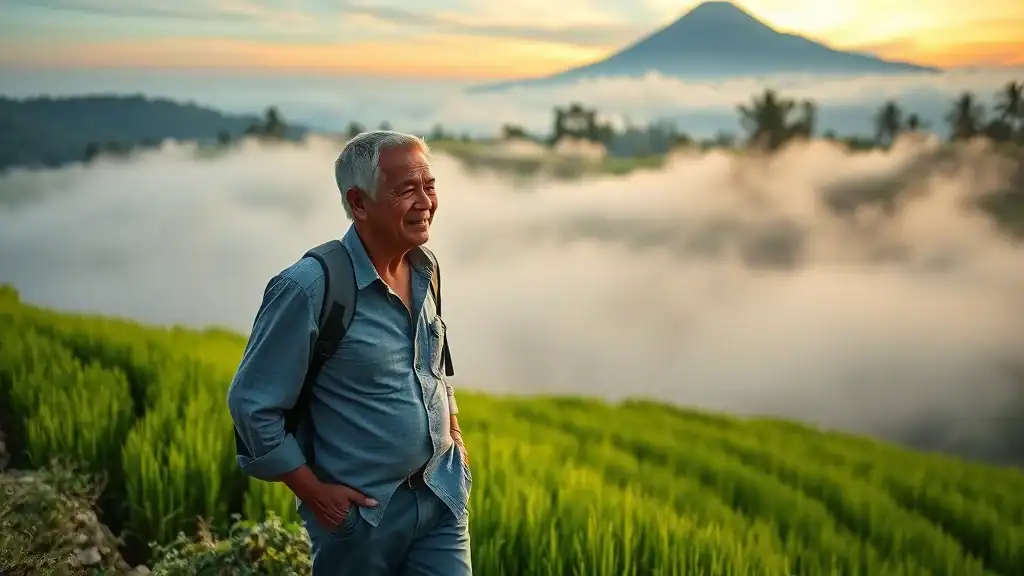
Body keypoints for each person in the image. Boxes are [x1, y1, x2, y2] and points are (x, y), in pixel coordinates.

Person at [227, 130, 472, 575]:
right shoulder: (309, 287)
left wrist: (452, 430)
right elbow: (251, 404)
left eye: (429, 185)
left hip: (441, 497)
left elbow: (432, 363)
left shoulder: (425, 268)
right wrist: (314, 493)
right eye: (406, 190)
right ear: (359, 203)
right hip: (362, 518)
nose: (425, 202)